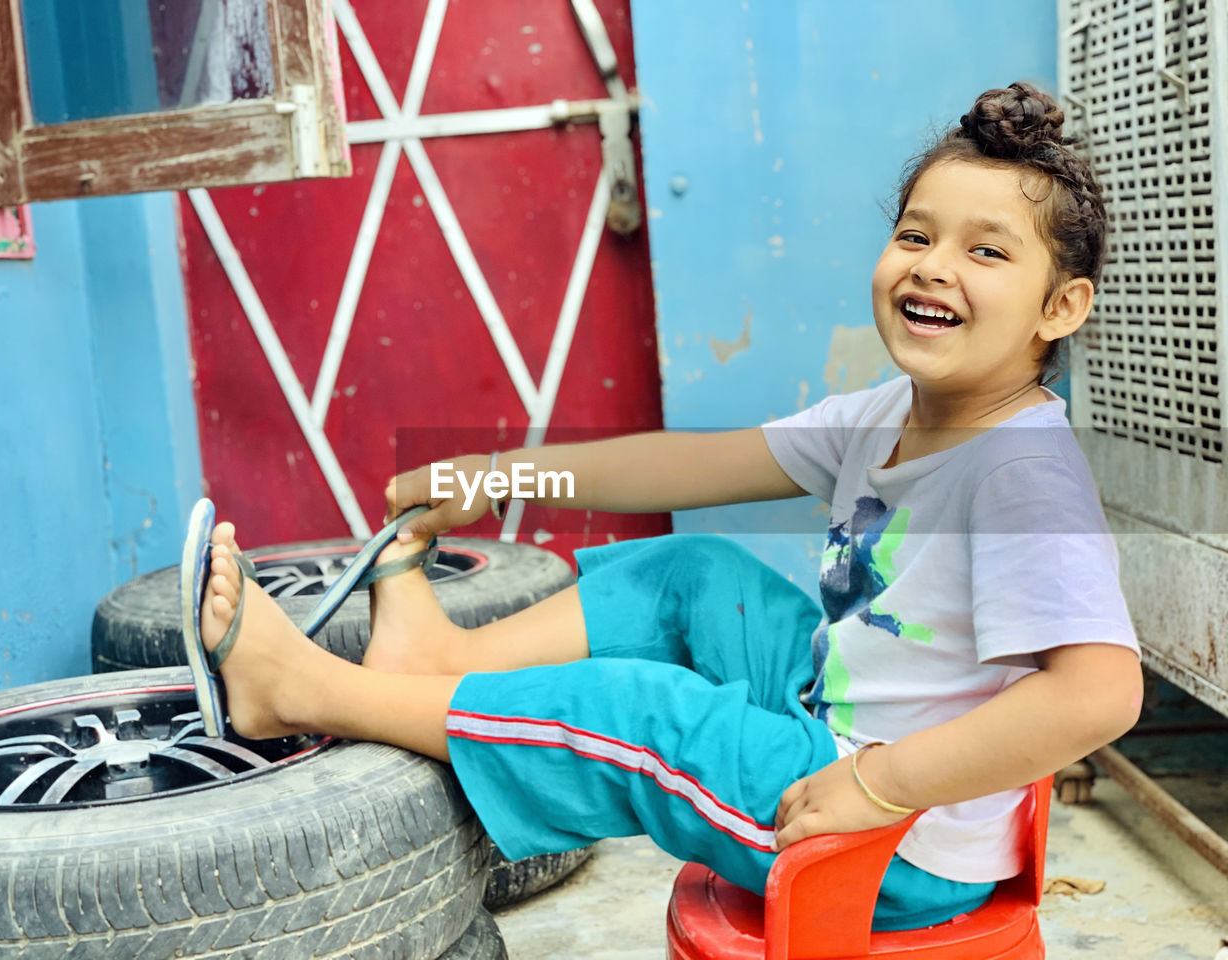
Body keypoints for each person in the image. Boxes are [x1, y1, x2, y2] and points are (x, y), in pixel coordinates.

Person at [190, 82, 1142, 932]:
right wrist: (503, 475)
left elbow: (1100, 691)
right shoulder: (887, 413)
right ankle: (443, 661)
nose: (935, 267)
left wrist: (878, 783)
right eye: (915, 235)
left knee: (650, 714)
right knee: (698, 573)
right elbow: (683, 469)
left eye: (986, 251)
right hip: (835, 720)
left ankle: (310, 694)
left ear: (1059, 309)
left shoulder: (1023, 472)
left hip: (897, 845)